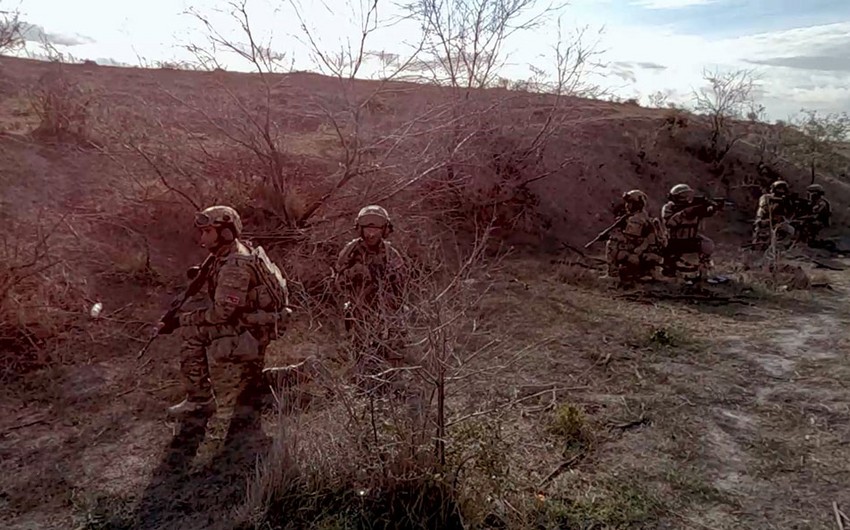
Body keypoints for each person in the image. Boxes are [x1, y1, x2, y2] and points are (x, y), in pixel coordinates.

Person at [158, 205, 289, 416]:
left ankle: (200, 401)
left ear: (226, 233)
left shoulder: (234, 266)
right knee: (250, 385)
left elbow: (221, 314)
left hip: (252, 330)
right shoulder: (228, 253)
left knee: (191, 334)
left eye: (208, 231)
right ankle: (300, 372)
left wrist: (181, 321)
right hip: (256, 323)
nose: (203, 237)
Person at [334, 205, 407, 383]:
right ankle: (362, 384)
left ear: (385, 230)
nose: (371, 234)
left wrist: (391, 279)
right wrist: (355, 273)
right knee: (361, 352)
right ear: (360, 229)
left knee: (393, 349)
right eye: (367, 229)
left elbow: (403, 287)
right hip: (360, 311)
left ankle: (393, 382)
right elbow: (337, 283)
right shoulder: (350, 252)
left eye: (376, 229)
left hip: (387, 312)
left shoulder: (391, 254)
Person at [605, 190, 666, 286]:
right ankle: (645, 273)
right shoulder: (643, 216)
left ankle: (613, 272)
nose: (627, 206)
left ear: (637, 204)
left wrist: (619, 236)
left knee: (612, 244)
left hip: (641, 252)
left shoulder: (637, 219)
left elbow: (631, 237)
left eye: (630, 203)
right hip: (648, 252)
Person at [661, 184, 716, 278]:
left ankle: (704, 270)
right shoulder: (668, 208)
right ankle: (671, 270)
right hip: (674, 240)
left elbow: (707, 213)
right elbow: (670, 223)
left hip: (691, 238)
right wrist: (686, 212)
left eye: (688, 195)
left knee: (708, 244)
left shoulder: (694, 207)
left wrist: (711, 208)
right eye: (683, 195)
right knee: (670, 263)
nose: (686, 198)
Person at [752, 180, 795, 249]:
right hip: (764, 220)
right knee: (759, 230)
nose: (780, 190)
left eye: (782, 189)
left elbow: (789, 212)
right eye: (779, 188)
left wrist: (785, 220)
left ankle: (782, 245)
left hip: (777, 223)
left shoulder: (785, 200)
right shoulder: (765, 197)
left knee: (790, 230)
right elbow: (764, 207)